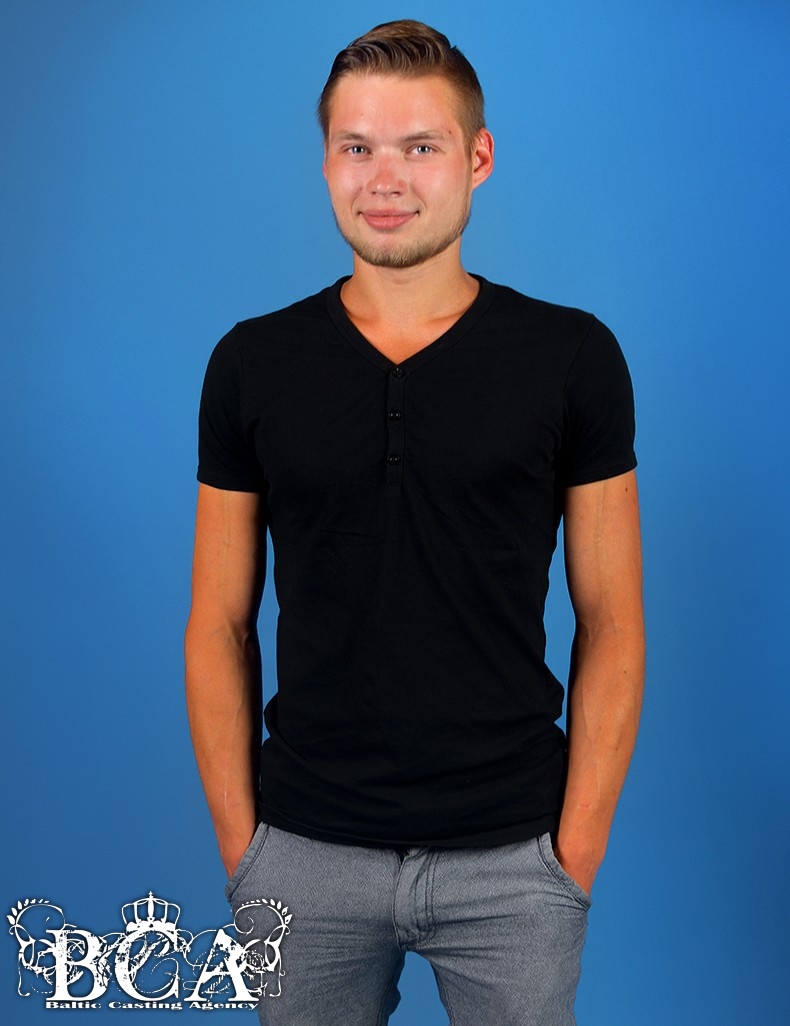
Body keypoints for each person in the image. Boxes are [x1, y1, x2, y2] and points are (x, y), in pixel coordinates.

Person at [185, 19, 644, 1026]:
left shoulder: (571, 359)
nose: (383, 178)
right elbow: (218, 621)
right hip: (303, 853)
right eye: (357, 146)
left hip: (514, 858)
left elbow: (612, 620)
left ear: (477, 158)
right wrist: (245, 851)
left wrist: (574, 853)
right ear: (325, 161)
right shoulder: (252, 364)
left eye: (419, 146)